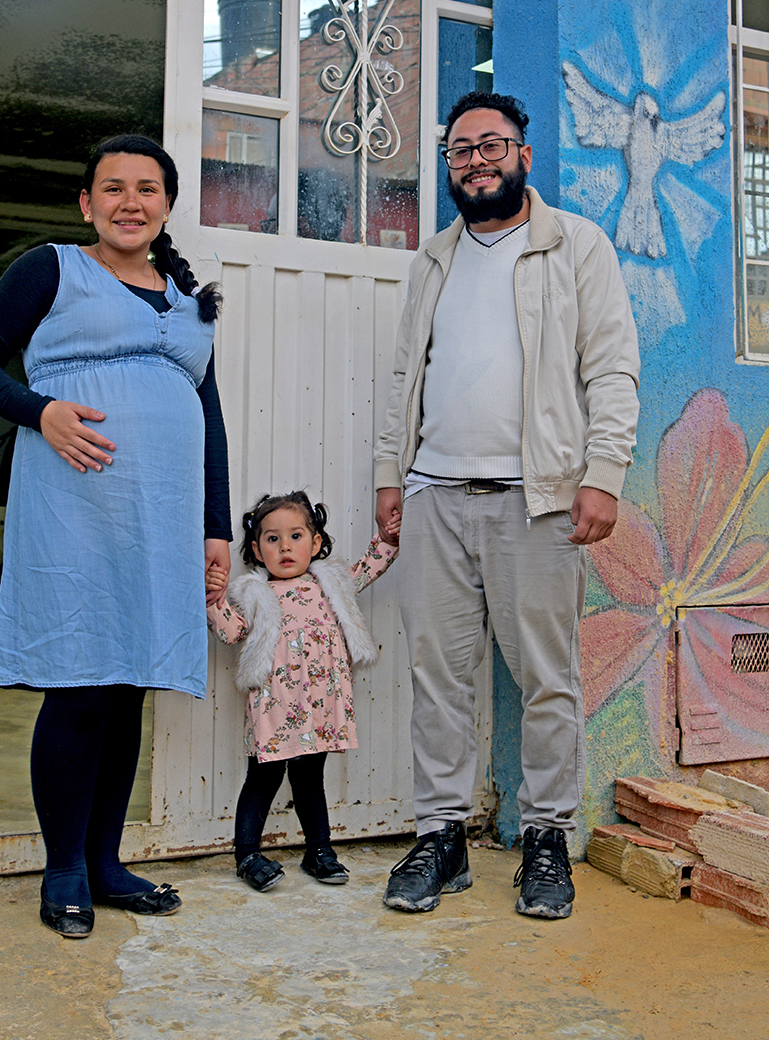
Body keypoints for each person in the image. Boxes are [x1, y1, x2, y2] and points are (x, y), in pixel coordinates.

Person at [0, 134, 231, 940]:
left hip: (163, 513)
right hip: (75, 503)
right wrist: (39, 410)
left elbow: (208, 414)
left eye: (147, 188)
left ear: (167, 205)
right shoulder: (50, 269)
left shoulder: (191, 300)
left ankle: (106, 860)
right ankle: (64, 866)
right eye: (112, 187)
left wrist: (215, 528)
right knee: (80, 678)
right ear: (87, 202)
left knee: (130, 680)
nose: (129, 201)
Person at [373, 91, 641, 920]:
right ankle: (441, 834)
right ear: (449, 165)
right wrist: (391, 474)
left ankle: (548, 838)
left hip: (540, 500)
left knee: (547, 680)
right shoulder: (434, 261)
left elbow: (612, 368)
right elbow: (403, 378)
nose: (477, 159)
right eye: (461, 149)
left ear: (524, 155)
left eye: (493, 145)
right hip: (436, 495)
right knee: (438, 677)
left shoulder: (576, 246)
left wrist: (604, 472)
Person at [205, 491, 396, 892]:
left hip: (320, 704)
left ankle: (319, 850)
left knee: (311, 778)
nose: (285, 546)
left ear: (317, 544)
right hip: (276, 706)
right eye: (272, 539)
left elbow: (367, 567)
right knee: (263, 778)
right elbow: (230, 631)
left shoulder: (331, 584)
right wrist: (212, 597)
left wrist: (389, 539)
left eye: (296, 536)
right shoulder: (254, 594)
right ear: (256, 550)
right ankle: (247, 856)